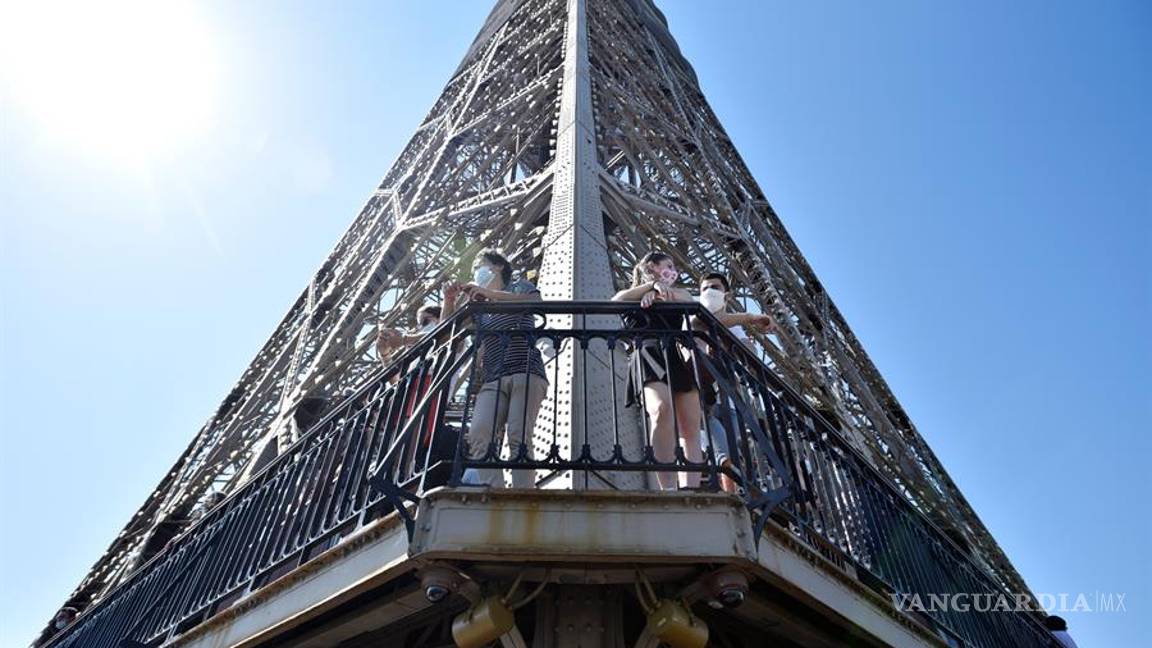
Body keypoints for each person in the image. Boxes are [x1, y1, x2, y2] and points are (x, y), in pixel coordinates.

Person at [443, 250, 547, 488]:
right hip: (494, 377)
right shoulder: (480, 306)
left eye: (480, 266)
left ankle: (523, 496)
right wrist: (449, 301)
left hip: (526, 371)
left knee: (518, 436)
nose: (476, 273)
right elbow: (448, 333)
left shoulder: (518, 286)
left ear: (498, 267)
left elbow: (534, 301)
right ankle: (495, 492)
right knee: (479, 434)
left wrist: (489, 293)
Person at [612, 251, 703, 490]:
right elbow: (617, 302)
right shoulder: (632, 294)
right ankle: (669, 488)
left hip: (672, 353)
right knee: (662, 410)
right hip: (648, 351)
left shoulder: (677, 293)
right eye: (669, 265)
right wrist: (651, 286)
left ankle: (691, 489)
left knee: (691, 427)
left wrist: (659, 293)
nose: (674, 271)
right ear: (651, 266)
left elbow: (691, 303)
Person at [691, 272, 776, 493]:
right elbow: (710, 322)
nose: (709, 291)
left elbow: (749, 355)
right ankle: (730, 490)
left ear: (727, 295)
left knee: (729, 447)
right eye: (705, 288)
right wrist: (749, 317)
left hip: (729, 397)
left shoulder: (736, 327)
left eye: (715, 287)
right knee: (720, 448)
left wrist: (746, 343)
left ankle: (731, 490)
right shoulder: (693, 313)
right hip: (700, 393)